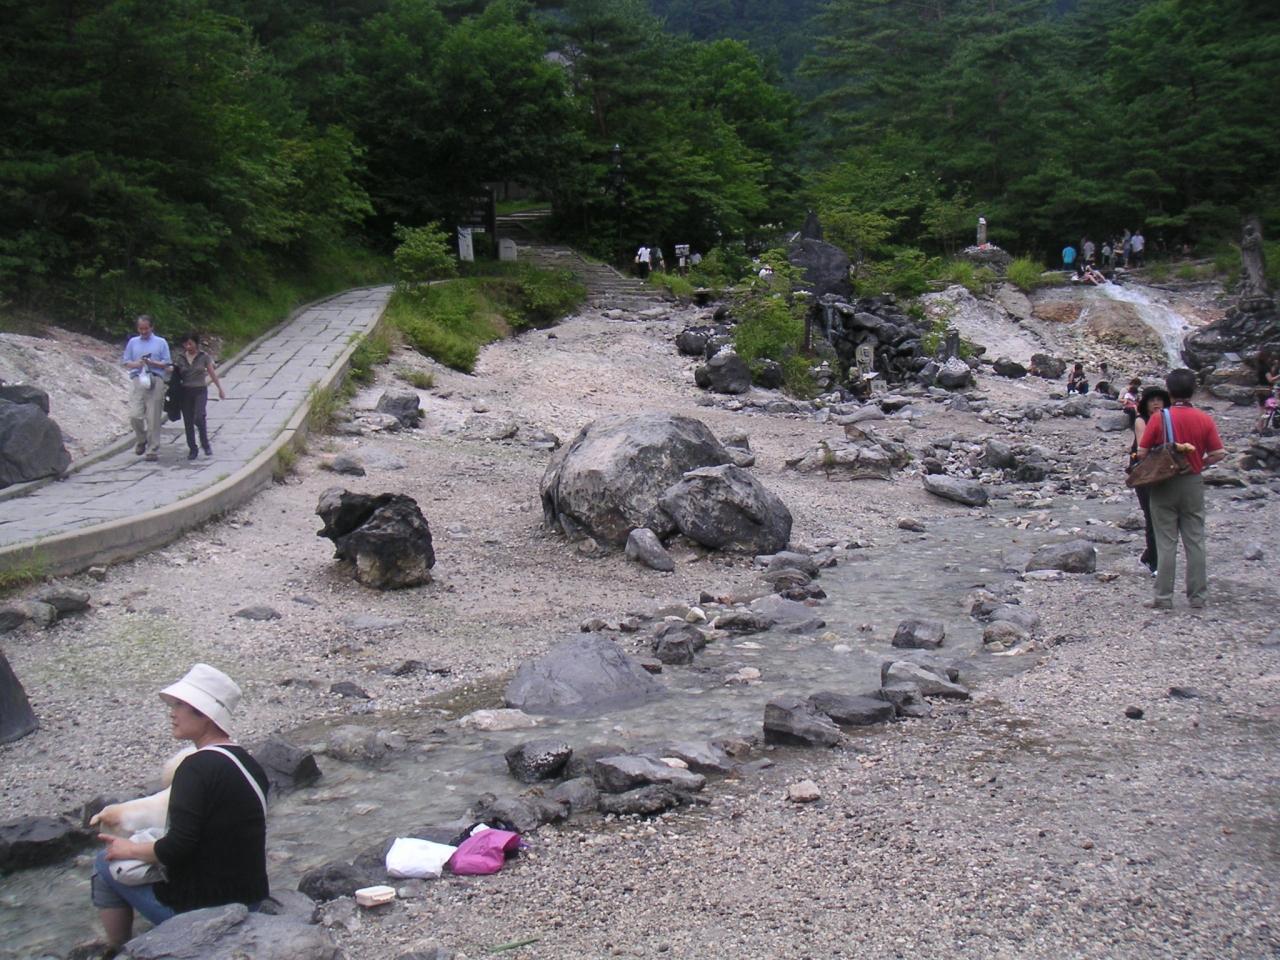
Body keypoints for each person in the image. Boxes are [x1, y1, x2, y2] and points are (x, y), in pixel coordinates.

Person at [92, 664, 269, 951]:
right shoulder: (247, 763)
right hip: (252, 899)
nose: (172, 713)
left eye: (180, 705)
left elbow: (177, 847)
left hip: (204, 914)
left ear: (205, 714)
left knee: (103, 861)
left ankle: (120, 948)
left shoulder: (195, 768)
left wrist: (129, 850)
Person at [1135, 369, 1226, 609]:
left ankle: (1163, 597)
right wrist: (1200, 463)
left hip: (1164, 483)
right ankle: (1198, 597)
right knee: (1195, 540)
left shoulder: (1159, 418)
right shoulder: (1204, 418)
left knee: (1166, 541)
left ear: (1169, 391)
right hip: (1192, 482)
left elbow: (1142, 452)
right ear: (1194, 390)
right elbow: (1218, 453)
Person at [1129, 386, 1169, 574]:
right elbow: (1143, 446)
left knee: (1161, 515)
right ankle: (1154, 560)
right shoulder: (1141, 420)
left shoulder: (1167, 419)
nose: (1156, 403)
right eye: (1152, 400)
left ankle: (1149, 556)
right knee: (1152, 515)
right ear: (1145, 404)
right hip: (1146, 472)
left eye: (1159, 400)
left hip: (1163, 471)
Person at [121, 315, 172, 462]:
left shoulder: (161, 342)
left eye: (146, 328)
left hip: (156, 379)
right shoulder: (133, 342)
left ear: (152, 327)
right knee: (135, 415)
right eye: (141, 329)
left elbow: (167, 364)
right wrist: (137, 364)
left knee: (153, 417)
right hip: (138, 379)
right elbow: (126, 362)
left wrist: (152, 363)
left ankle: (152, 449)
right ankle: (141, 439)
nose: (143, 331)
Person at [172, 333, 226, 460]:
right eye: (185, 344)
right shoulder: (180, 358)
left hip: (200, 390)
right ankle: (192, 448)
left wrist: (219, 388)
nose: (188, 346)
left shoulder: (203, 357)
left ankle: (205, 443)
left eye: (190, 343)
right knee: (188, 421)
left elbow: (212, 373)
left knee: (199, 417)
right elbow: (175, 374)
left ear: (196, 343)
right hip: (185, 391)